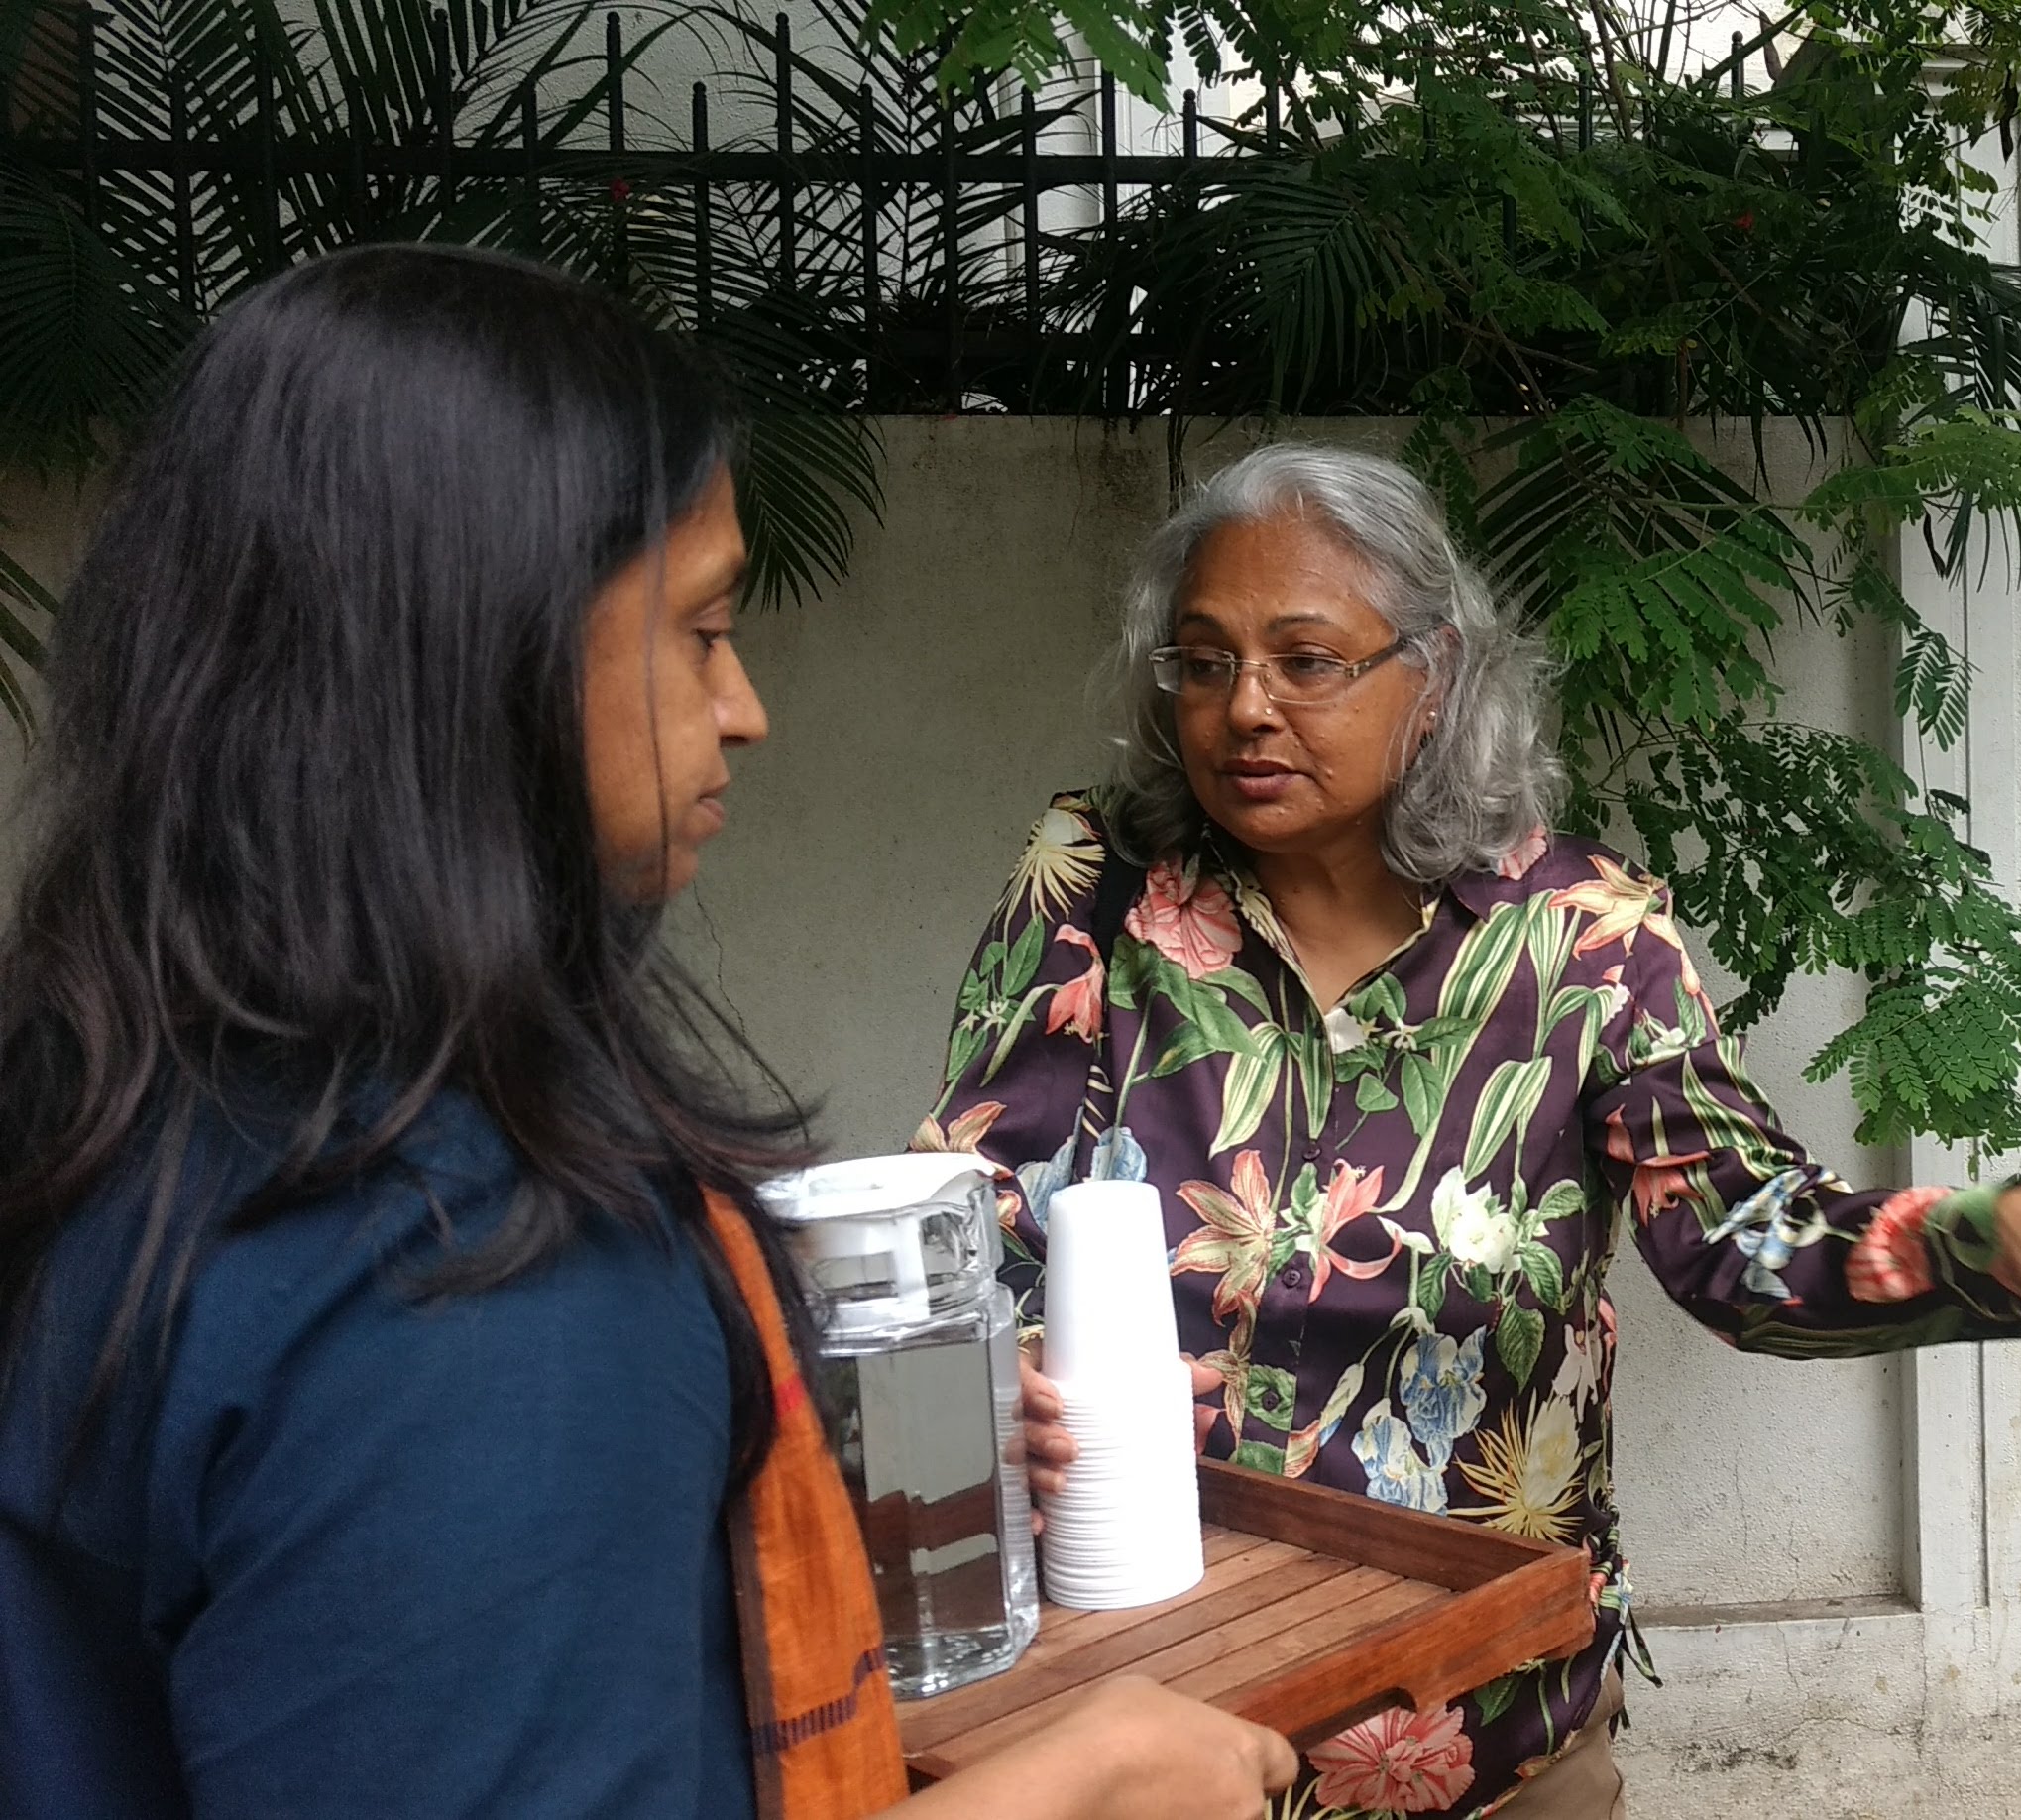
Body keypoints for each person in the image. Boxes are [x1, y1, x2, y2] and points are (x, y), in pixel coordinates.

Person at [0, 245, 1295, 1820]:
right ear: (477, 657)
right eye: (699, 631)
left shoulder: (118, 1098)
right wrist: (1082, 1785)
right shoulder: (475, 1269)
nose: (744, 707)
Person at [923, 442, 2021, 1820]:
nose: (1246, 707)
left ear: (1434, 677)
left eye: (1306, 662)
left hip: (1478, 1733)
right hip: (1140, 1731)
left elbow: (1745, 1245)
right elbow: (970, 1212)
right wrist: (984, 1385)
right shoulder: (1094, 890)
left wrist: (1993, 1233)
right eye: (1204, 663)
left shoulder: (1586, 943)